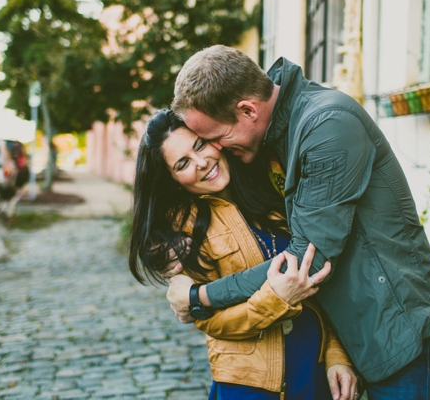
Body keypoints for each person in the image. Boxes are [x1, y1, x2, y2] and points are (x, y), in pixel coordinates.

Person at [165, 46, 430, 399]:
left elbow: (306, 258)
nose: (217, 149)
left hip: (393, 333)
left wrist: (200, 296)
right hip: (349, 335)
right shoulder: (271, 135)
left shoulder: (327, 126)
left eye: (216, 137)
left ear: (248, 109)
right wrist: (174, 238)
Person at [129, 109, 358, 400]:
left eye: (200, 145)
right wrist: (276, 300)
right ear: (173, 180)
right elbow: (211, 322)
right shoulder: (183, 231)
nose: (201, 163)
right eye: (183, 163)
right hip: (251, 385)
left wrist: (337, 355)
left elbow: (325, 288)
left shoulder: (272, 190)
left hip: (314, 371)